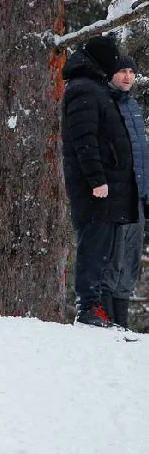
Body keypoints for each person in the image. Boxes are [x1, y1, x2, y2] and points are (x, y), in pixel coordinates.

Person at [61, 35, 138, 327]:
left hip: (108, 186)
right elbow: (85, 140)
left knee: (103, 248)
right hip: (96, 188)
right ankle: (88, 308)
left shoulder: (94, 88)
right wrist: (96, 179)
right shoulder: (84, 89)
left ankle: (96, 308)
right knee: (93, 246)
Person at [106, 54, 144, 328]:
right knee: (113, 258)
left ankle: (122, 323)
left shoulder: (133, 107)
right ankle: (107, 320)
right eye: (122, 71)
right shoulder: (105, 104)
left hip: (137, 194)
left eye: (131, 71)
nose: (128, 76)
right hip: (115, 195)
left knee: (130, 261)